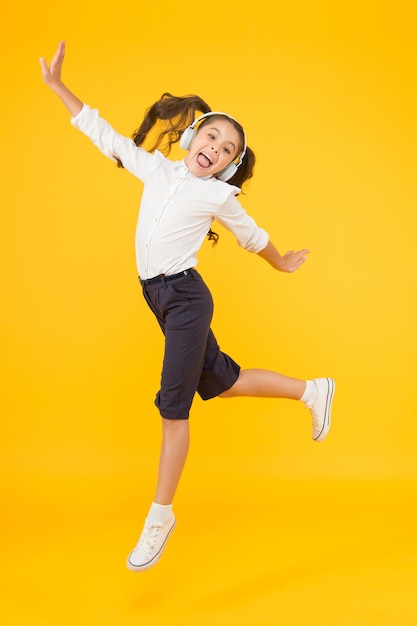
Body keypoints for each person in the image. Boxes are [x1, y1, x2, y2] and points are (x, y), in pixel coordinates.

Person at [40, 41, 335, 573]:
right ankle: (313, 391)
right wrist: (59, 87)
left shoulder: (219, 197)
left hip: (185, 299)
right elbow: (101, 132)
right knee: (223, 381)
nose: (216, 149)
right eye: (213, 136)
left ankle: (160, 515)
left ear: (227, 167)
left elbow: (253, 236)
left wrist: (281, 262)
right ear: (193, 135)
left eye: (227, 151)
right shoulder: (155, 169)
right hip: (159, 296)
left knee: (173, 409)